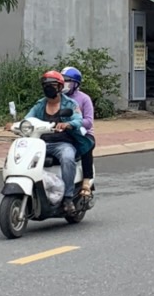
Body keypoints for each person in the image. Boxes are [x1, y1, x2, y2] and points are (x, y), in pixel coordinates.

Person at [6, 70, 84, 214]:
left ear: (60, 87)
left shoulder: (70, 104)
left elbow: (78, 119)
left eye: (52, 85)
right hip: (40, 143)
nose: (49, 88)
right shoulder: (40, 105)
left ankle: (67, 198)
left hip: (62, 143)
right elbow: (28, 119)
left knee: (67, 158)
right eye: (46, 85)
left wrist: (68, 124)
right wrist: (16, 125)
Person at [62, 66, 95, 197]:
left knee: (85, 146)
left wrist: (72, 124)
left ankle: (86, 180)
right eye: (62, 80)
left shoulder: (84, 99)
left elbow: (89, 122)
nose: (64, 83)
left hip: (83, 133)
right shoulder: (57, 98)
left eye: (67, 81)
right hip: (62, 133)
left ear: (75, 84)